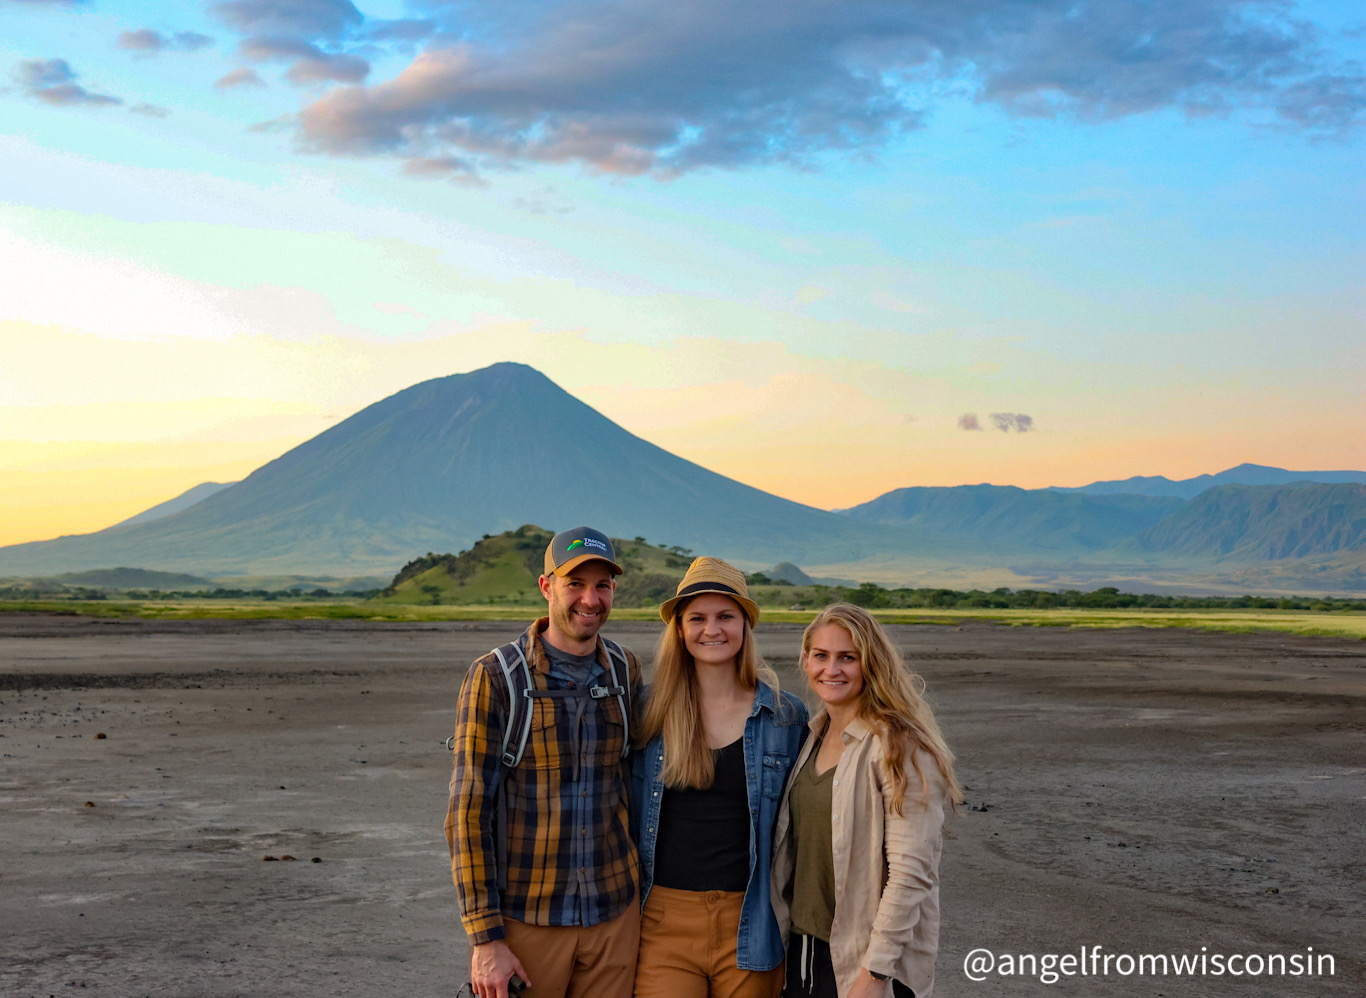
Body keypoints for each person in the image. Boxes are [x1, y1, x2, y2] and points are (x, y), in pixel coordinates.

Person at [445, 526, 644, 998]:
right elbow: (467, 814)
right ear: (546, 586)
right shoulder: (496, 676)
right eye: (575, 583)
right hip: (528, 920)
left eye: (602, 585)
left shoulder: (624, 669)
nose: (590, 599)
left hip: (614, 917)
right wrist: (486, 940)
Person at [631, 557, 808, 998]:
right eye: (698, 618)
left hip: (753, 921)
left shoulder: (784, 717)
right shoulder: (645, 711)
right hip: (661, 922)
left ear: (746, 625)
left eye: (726, 616)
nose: (713, 629)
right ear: (679, 629)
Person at [771, 603, 962, 998]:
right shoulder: (811, 737)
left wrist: (874, 974)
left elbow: (911, 874)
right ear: (805, 661)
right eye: (821, 656)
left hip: (866, 965)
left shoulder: (900, 746)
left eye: (848, 658)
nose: (832, 669)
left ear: (870, 663)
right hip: (805, 953)